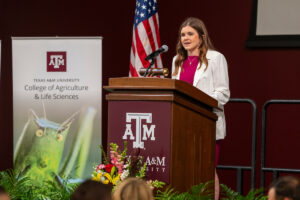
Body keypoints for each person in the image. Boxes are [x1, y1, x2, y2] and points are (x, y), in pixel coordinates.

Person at [171, 17, 230, 200]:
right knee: (186, 169)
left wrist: (199, 101)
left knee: (207, 170)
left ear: (202, 37)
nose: (185, 38)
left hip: (206, 123)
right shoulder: (177, 60)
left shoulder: (216, 58)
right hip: (182, 123)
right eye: (182, 35)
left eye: (190, 34)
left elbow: (223, 94)